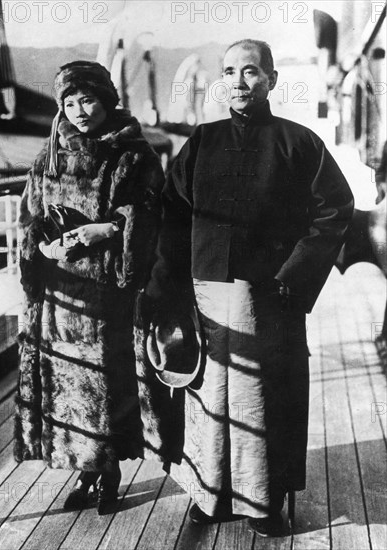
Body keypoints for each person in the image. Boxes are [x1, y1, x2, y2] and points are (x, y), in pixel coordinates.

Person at [144, 39, 354, 537]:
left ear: (271, 80)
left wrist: (292, 278)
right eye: (230, 71)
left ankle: (264, 501)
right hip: (204, 295)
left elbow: (334, 211)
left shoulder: (298, 143)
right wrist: (162, 286)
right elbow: (171, 217)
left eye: (251, 72)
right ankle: (210, 495)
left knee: (264, 397)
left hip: (268, 299)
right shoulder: (201, 141)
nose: (239, 82)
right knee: (208, 395)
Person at [14, 61, 164, 514]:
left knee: (106, 379)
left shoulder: (132, 154)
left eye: (89, 99)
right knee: (67, 384)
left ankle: (109, 473)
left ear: (107, 99)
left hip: (107, 291)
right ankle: (85, 469)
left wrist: (109, 230)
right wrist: (40, 248)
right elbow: (30, 213)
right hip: (60, 295)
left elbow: (150, 214)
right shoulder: (50, 154)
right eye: (70, 102)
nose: (80, 111)